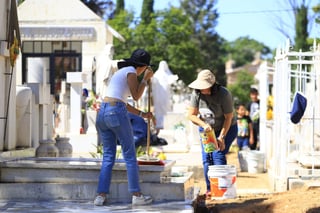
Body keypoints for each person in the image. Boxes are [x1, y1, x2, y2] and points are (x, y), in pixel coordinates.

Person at [94, 49, 154, 206]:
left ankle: (100, 196)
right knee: (129, 154)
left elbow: (123, 101)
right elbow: (136, 96)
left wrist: (142, 114)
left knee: (108, 156)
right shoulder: (132, 72)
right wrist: (145, 80)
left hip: (103, 111)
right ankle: (136, 195)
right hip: (116, 112)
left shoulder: (121, 72)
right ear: (143, 67)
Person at [187, 69, 237, 197]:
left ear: (211, 85)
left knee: (218, 154)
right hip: (207, 129)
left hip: (226, 128)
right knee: (207, 159)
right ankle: (210, 189)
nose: (201, 89)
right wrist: (204, 125)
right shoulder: (196, 94)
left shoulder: (224, 94)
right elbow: (191, 115)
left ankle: (222, 188)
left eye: (204, 86)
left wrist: (222, 137)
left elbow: (228, 117)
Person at [151, 61, 178, 135]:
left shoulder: (168, 73)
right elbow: (154, 81)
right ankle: (159, 125)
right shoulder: (157, 74)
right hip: (158, 94)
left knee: (166, 107)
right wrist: (152, 79)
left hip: (165, 94)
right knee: (159, 109)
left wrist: (173, 79)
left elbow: (171, 80)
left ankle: (165, 124)